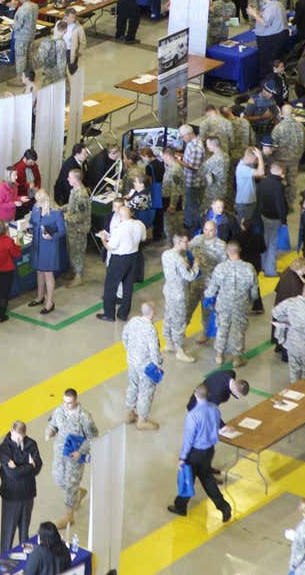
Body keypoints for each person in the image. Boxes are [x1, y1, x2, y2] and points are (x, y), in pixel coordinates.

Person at [169, 383, 234, 521]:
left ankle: (180, 507)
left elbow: (188, 439)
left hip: (195, 452)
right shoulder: (215, 409)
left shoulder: (193, 415)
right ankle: (223, 506)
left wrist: (182, 457)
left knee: (187, 480)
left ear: (195, 394)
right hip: (209, 450)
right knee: (207, 479)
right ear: (208, 394)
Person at [45, 389, 98, 529]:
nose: (66, 405)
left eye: (69, 402)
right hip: (60, 453)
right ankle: (78, 493)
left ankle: (69, 516)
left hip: (74, 457)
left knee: (70, 485)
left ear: (75, 401)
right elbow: (53, 424)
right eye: (64, 402)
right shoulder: (59, 411)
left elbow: (93, 437)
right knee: (58, 478)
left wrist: (81, 452)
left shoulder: (84, 417)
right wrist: (50, 431)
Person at [205, 241, 259, 366]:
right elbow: (254, 291)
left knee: (222, 328)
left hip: (223, 305)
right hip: (241, 305)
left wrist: (207, 294)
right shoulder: (249, 268)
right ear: (239, 251)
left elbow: (211, 290)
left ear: (227, 252)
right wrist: (250, 301)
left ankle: (219, 355)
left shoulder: (220, 268)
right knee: (238, 331)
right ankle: (236, 358)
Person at [95, 204, 146, 321]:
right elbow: (143, 238)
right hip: (133, 257)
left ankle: (109, 314)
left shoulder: (120, 228)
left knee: (110, 286)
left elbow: (110, 247)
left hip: (119, 259)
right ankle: (123, 313)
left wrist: (103, 239)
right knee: (128, 287)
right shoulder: (139, 224)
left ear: (119, 216)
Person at [0, 426, 38, 556]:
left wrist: (19, 466)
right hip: (11, 498)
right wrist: (29, 465)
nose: (19, 440)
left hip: (28, 494)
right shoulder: (4, 449)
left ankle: (26, 562)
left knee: (25, 531)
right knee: (8, 533)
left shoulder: (31, 444)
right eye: (16, 436)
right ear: (11, 431)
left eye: (21, 437)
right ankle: (4, 561)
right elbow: (11, 473)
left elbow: (38, 466)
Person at [122, 302, 164, 430]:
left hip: (132, 362)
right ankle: (142, 420)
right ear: (152, 313)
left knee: (132, 386)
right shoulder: (150, 329)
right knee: (146, 392)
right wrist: (158, 365)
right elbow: (154, 350)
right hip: (146, 366)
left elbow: (124, 337)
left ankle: (129, 413)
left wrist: (130, 353)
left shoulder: (133, 321)